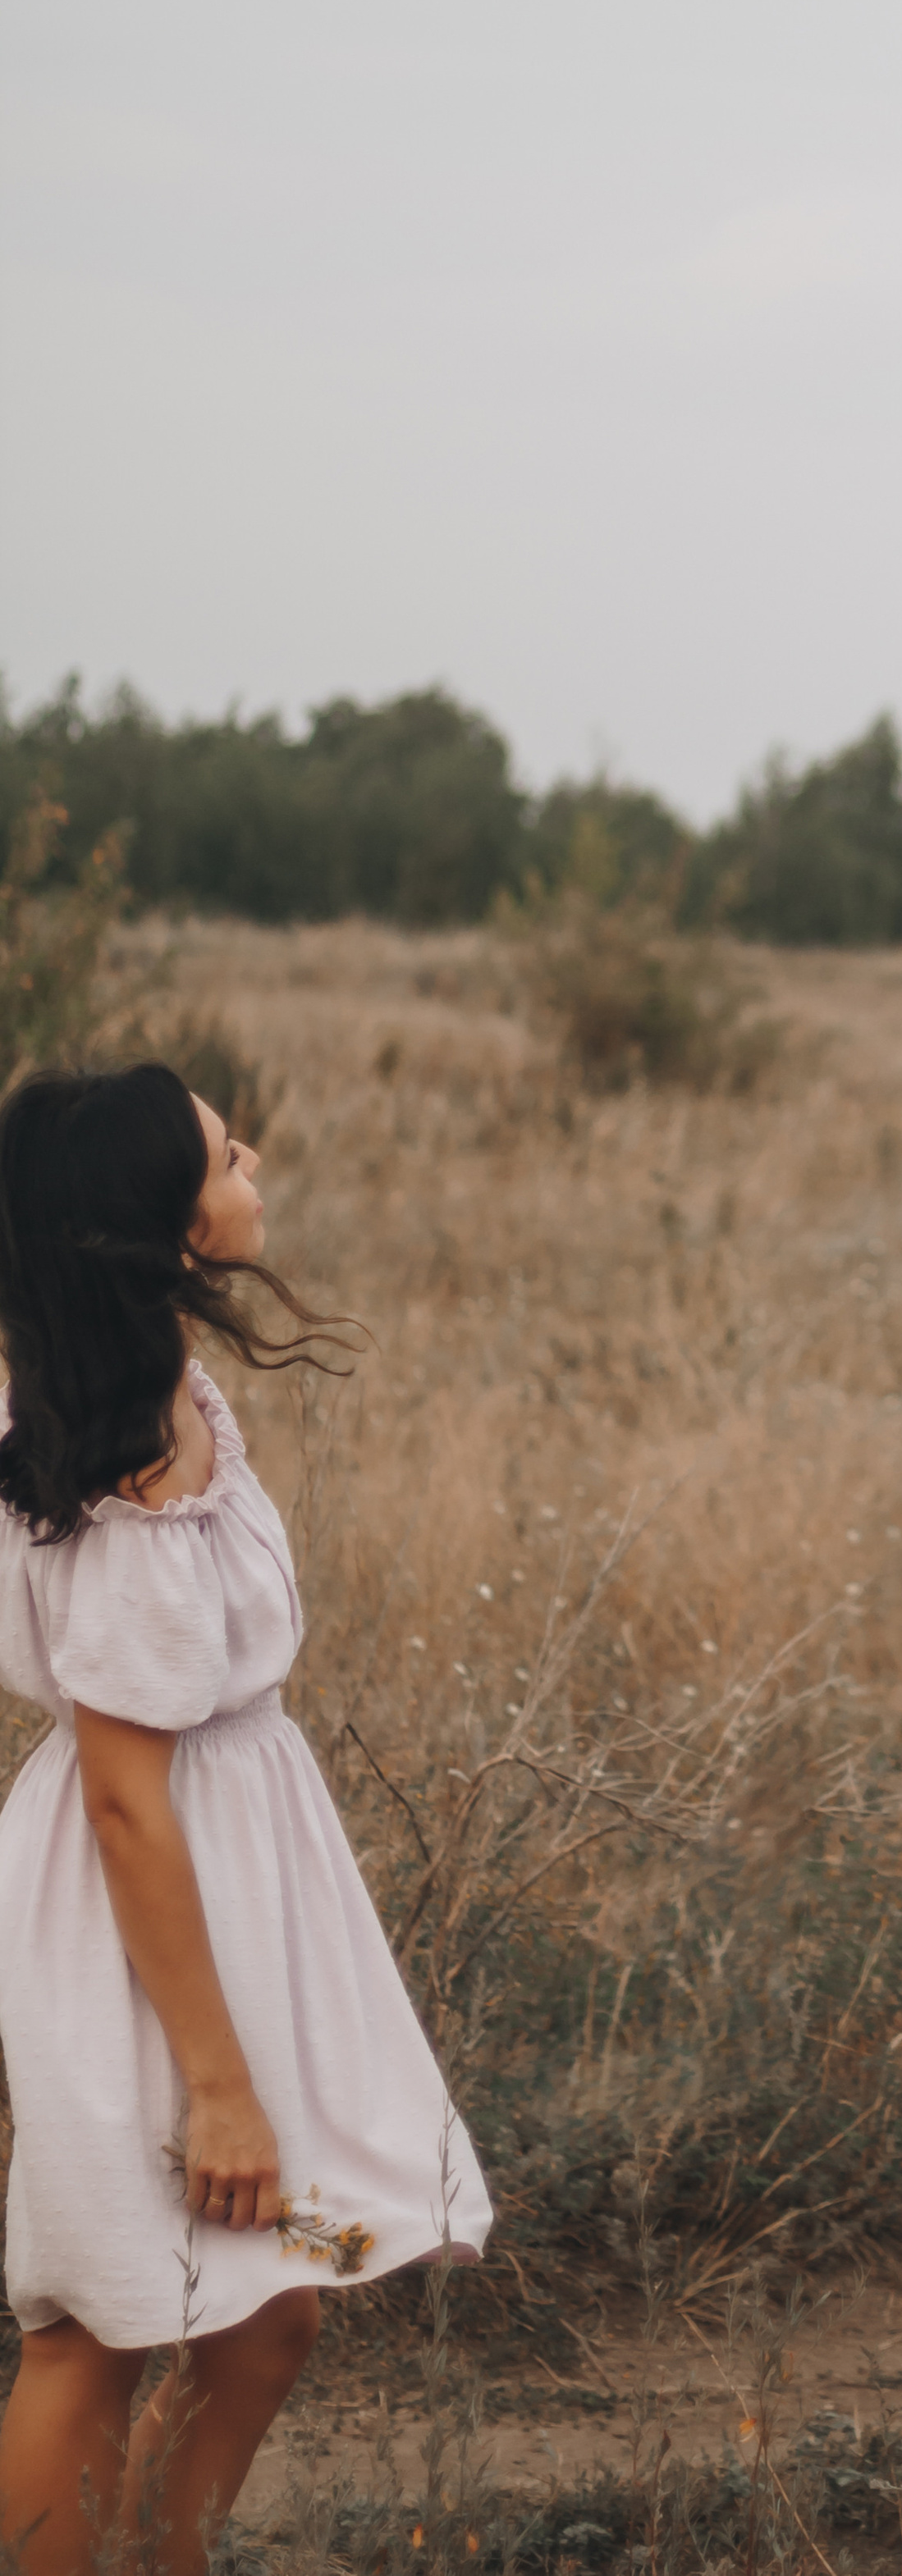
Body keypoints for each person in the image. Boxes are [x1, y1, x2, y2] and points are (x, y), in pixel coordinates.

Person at [0, 1064, 493, 2576]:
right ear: (169, 1223)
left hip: (248, 1886)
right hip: (146, 1905)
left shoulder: (141, 1377)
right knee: (106, 2319)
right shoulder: (124, 1450)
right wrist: (216, 2086)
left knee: (283, 2290)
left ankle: (163, 2556)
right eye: (226, 1149)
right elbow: (125, 1793)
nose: (254, 1154)